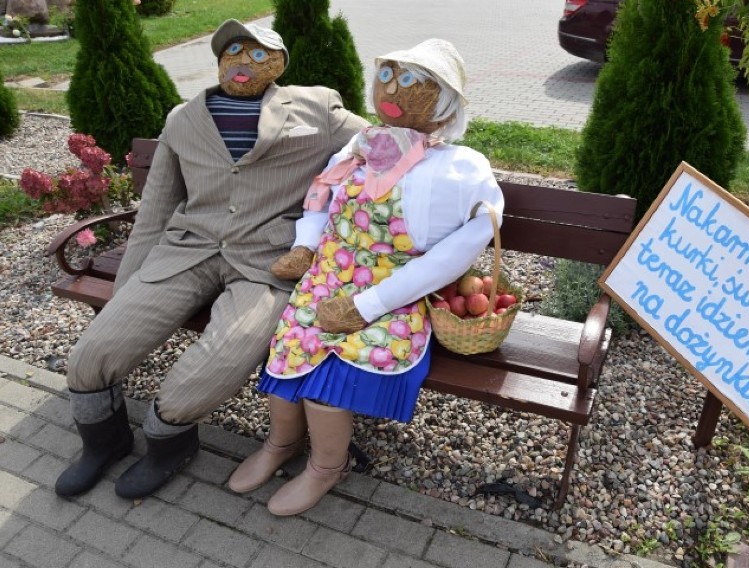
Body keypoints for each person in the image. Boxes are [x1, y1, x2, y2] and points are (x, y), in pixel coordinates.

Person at [54, 19, 369, 499]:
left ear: (280, 64)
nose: (244, 61)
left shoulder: (316, 107)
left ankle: (169, 444)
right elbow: (157, 206)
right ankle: (105, 442)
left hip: (266, 263)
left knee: (210, 369)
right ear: (219, 58)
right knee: (90, 358)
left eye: (259, 53)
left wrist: (450, 164)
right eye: (233, 50)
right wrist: (125, 295)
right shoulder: (183, 118)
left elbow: (386, 149)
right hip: (187, 250)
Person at [226, 39, 505, 516]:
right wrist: (305, 245)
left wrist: (369, 305)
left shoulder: (461, 170)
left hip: (396, 290)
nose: (393, 91)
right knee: (290, 347)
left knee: (334, 376)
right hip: (329, 275)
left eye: (413, 82)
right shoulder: (361, 147)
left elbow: (454, 255)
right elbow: (321, 198)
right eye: (388, 76)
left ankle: (325, 466)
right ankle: (280, 443)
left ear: (443, 101)